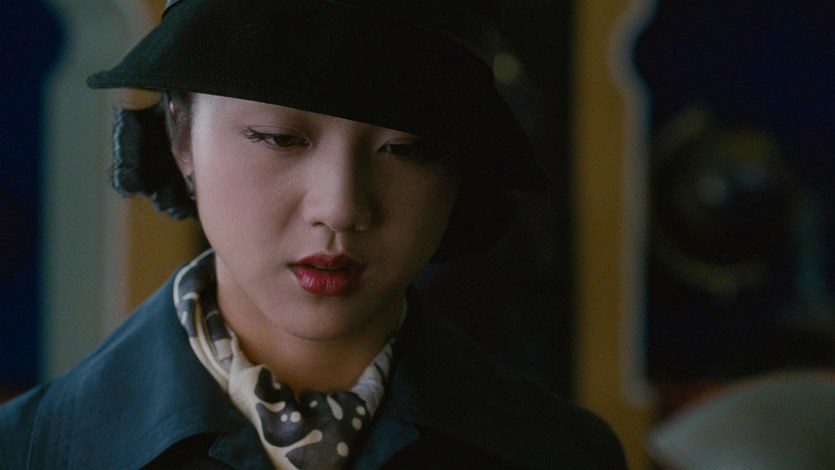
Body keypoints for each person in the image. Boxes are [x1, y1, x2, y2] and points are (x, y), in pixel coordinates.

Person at [0, 0, 627, 468]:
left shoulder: (561, 455)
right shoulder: (29, 452)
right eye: (279, 138)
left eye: (404, 149)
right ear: (180, 133)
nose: (341, 207)